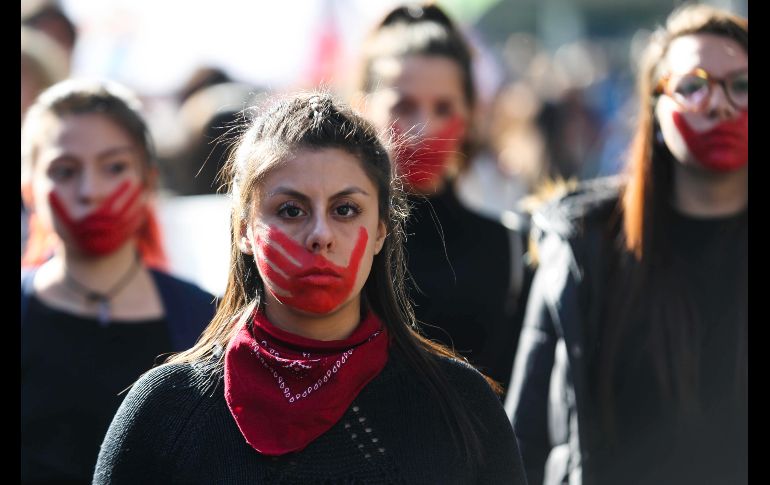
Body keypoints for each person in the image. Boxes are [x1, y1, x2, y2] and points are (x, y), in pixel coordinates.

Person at [93, 91, 527, 484]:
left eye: (345, 209)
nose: (321, 234)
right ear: (245, 231)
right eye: (290, 209)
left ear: (380, 231)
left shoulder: (459, 406)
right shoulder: (165, 410)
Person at [505, 5, 747, 484]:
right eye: (693, 86)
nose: (719, 104)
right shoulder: (583, 246)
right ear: (654, 106)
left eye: (742, 86)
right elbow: (524, 441)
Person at [21, 79, 216, 484]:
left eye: (114, 167)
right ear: (29, 189)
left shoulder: (208, 323)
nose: (91, 191)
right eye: (65, 170)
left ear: (148, 179)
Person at [355, 3, 529, 389]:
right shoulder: (340, 242)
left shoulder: (510, 247)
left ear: (469, 114)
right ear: (364, 108)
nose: (423, 128)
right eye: (404, 105)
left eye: (443, 107)